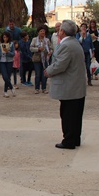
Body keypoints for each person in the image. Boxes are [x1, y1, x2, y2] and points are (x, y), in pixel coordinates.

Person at [45, 20, 87, 150]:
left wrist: (48, 71)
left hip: (69, 87)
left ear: (62, 31)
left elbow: (60, 65)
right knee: (75, 114)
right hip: (76, 86)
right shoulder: (74, 43)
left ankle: (68, 140)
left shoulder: (66, 45)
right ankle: (75, 138)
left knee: (68, 114)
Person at [30, 25, 52, 94]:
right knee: (38, 74)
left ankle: (44, 88)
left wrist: (50, 52)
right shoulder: (34, 40)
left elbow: (51, 48)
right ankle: (37, 88)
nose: (42, 32)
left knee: (44, 74)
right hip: (37, 59)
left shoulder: (47, 40)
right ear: (38, 32)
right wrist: (38, 49)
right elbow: (31, 48)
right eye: (41, 31)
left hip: (45, 59)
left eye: (43, 31)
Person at [0, 31, 16, 97]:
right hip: (2, 61)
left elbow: (13, 53)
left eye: (6, 37)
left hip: (9, 61)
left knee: (8, 76)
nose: (5, 39)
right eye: (4, 37)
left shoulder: (11, 44)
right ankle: (11, 87)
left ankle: (5, 91)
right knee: (4, 76)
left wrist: (8, 52)